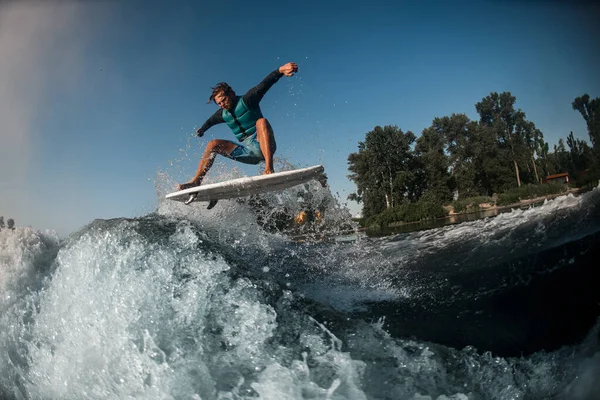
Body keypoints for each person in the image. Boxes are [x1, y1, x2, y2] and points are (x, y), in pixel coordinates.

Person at [178, 62, 299, 191]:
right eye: (219, 103)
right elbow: (209, 122)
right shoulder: (222, 114)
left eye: (223, 100)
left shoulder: (248, 100)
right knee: (213, 144)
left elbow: (264, 85)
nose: (222, 105)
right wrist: (202, 130)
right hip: (246, 151)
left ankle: (269, 168)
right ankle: (196, 181)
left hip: (263, 143)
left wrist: (280, 71)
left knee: (261, 122)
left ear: (231, 94)